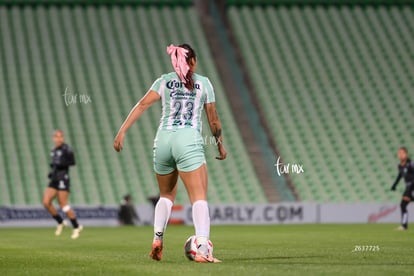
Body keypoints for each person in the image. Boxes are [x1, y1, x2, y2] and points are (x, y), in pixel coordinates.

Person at [114, 43, 227, 263]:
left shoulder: (164, 80)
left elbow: (142, 104)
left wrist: (122, 131)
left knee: (166, 196)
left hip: (163, 140)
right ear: (192, 61)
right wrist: (219, 144)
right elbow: (213, 120)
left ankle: (157, 238)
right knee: (199, 197)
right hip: (188, 140)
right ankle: (203, 248)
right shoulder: (203, 83)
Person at [42, 130, 83, 239]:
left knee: (63, 205)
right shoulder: (53, 150)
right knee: (46, 202)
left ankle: (76, 226)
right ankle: (60, 222)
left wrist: (61, 164)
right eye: (56, 137)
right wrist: (52, 172)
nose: (59, 139)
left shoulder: (66, 149)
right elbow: (54, 164)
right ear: (53, 138)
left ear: (63, 138)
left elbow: (72, 162)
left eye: (60, 137)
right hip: (54, 179)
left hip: (63, 179)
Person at [391, 147, 414, 230]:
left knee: (403, 203)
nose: (400, 155)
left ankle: (404, 226)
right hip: (408, 187)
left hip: (412, 186)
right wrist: (394, 185)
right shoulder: (400, 166)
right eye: (399, 153)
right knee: (403, 205)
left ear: (406, 154)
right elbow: (400, 176)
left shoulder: (411, 164)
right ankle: (404, 225)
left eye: (402, 153)